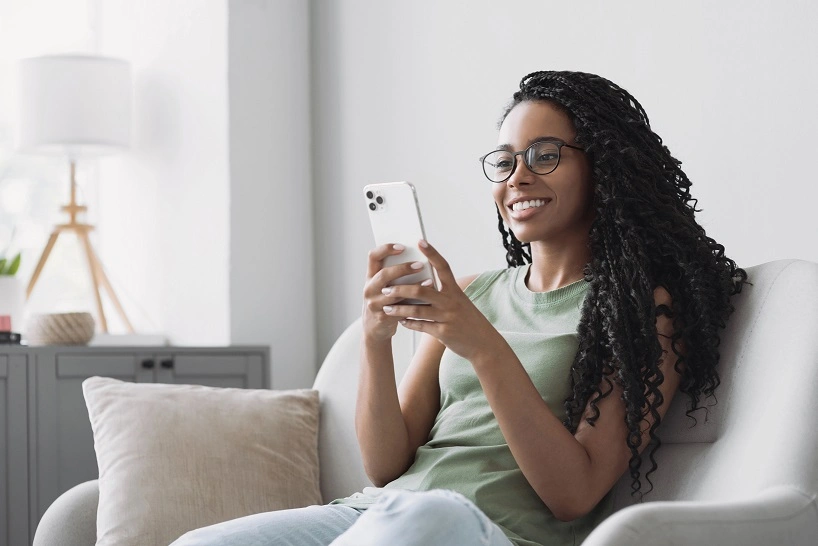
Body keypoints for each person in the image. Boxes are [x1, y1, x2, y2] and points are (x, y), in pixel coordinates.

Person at [173, 70, 748, 546]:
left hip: (484, 532)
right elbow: (384, 466)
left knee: (425, 519)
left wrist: (481, 345)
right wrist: (377, 341)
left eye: (545, 155)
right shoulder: (474, 292)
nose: (517, 177)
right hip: (378, 514)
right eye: (504, 161)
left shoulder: (641, 309)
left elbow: (574, 494)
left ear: (605, 167)